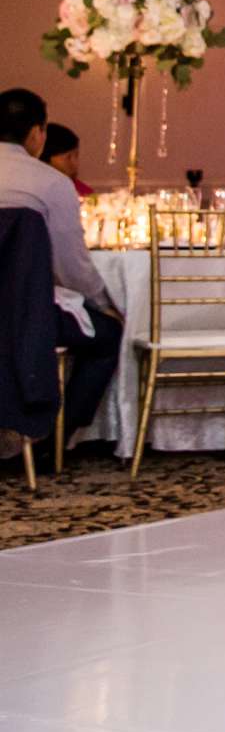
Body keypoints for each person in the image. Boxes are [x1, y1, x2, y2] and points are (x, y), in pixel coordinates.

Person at [0, 88, 121, 457]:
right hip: (25, 318)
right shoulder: (52, 184)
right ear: (38, 133)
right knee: (108, 334)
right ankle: (51, 440)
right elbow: (73, 269)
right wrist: (105, 303)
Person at [39, 121, 95, 198]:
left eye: (76, 156)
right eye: (68, 158)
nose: (75, 164)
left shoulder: (81, 191)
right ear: (45, 160)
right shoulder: (37, 193)